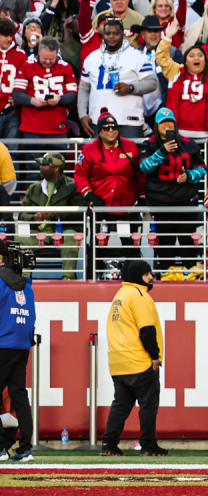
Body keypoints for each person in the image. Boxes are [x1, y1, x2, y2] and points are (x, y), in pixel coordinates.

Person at [101, 260, 167, 457]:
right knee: (148, 405)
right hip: (139, 361)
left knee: (120, 406)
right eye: (148, 274)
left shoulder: (120, 295)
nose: (151, 277)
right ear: (140, 276)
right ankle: (149, 445)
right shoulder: (140, 296)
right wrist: (154, 356)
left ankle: (109, 444)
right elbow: (147, 329)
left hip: (119, 362)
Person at [75, 110, 143, 279]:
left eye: (114, 127)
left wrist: (141, 197)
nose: (111, 131)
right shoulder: (89, 150)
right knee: (98, 245)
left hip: (127, 208)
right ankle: (92, 277)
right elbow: (80, 175)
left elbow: (140, 174)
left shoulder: (130, 146)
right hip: (101, 207)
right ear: (100, 131)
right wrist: (89, 195)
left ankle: (134, 278)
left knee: (131, 245)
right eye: (106, 128)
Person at [140, 108, 207, 279]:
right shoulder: (149, 144)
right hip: (160, 202)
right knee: (165, 241)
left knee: (188, 241)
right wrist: (162, 151)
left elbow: (203, 168)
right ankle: (167, 274)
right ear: (157, 125)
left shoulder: (188, 143)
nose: (167, 124)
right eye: (163, 122)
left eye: (170, 121)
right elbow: (144, 167)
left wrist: (190, 176)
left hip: (185, 200)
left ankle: (191, 274)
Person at [79, 19, 159, 139]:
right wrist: (82, 115)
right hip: (98, 121)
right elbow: (84, 89)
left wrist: (131, 88)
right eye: (108, 33)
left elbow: (152, 83)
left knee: (129, 157)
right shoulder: (91, 58)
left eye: (116, 33)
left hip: (129, 121)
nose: (112, 37)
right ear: (103, 35)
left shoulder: (137, 56)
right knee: (99, 158)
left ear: (123, 34)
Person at [19, 153, 85, 279]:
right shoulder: (34, 188)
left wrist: (57, 214)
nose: (40, 167)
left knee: (71, 237)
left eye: (45, 164)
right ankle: (24, 278)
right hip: (38, 233)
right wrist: (34, 218)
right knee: (19, 238)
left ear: (56, 168)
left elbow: (79, 212)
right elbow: (22, 214)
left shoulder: (73, 186)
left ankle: (68, 277)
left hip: (64, 230)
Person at [0, 240, 34, 462]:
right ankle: (25, 448)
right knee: (19, 395)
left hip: (3, 343)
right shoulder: (28, 284)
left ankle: (1, 447)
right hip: (22, 345)